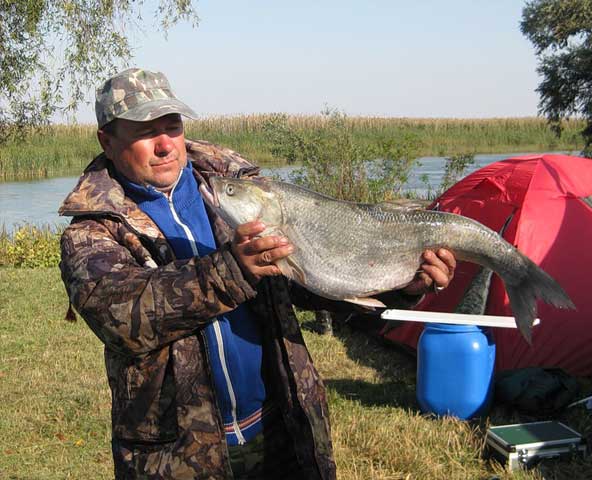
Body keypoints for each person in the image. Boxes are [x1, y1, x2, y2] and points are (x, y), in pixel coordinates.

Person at [58, 67, 456, 480]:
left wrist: (400, 284)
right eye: (144, 132)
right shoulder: (93, 228)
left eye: (172, 126)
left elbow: (310, 277)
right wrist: (233, 270)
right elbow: (120, 315)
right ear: (107, 139)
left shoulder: (239, 192)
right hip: (177, 457)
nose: (164, 145)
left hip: (280, 425)